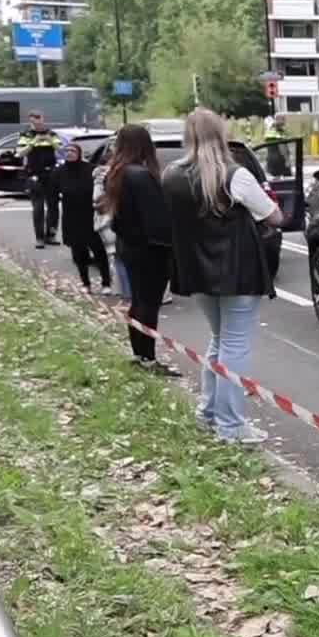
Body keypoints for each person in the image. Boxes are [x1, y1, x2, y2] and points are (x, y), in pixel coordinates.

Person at [164, 108, 283, 444]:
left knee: (218, 341)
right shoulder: (235, 175)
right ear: (220, 134)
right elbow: (274, 216)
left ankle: (209, 412)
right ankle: (231, 426)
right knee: (234, 346)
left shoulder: (171, 174)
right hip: (238, 269)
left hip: (196, 271)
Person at [98, 124, 177, 372]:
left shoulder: (117, 173)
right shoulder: (141, 176)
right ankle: (148, 357)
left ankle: (139, 354)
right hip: (150, 249)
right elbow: (156, 218)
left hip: (129, 246)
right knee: (149, 303)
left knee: (138, 301)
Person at [54, 142, 112, 293]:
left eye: (73, 151)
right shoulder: (60, 172)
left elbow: (102, 186)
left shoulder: (90, 170)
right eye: (67, 151)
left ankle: (106, 283)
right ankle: (86, 283)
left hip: (90, 216)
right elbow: (52, 193)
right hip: (71, 217)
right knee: (79, 253)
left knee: (99, 251)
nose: (69, 153)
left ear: (79, 153)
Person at [18, 111, 62, 247]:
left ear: (43, 119)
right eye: (34, 120)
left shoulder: (52, 133)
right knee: (38, 207)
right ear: (30, 121)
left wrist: (50, 140)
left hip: (51, 174)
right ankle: (39, 238)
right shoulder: (26, 135)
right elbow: (19, 153)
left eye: (39, 119)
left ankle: (51, 235)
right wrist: (32, 143)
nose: (37, 122)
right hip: (34, 174)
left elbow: (61, 150)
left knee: (53, 206)